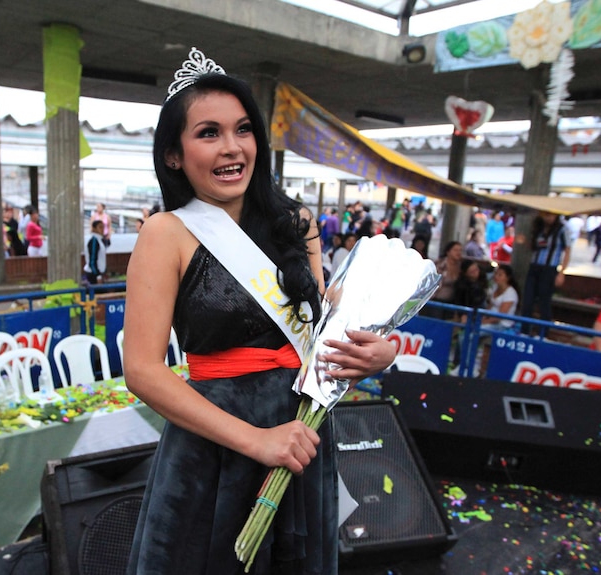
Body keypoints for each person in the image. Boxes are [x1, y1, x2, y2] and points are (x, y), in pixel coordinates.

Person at [123, 50, 395, 575]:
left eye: (243, 130)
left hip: (301, 436)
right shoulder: (166, 233)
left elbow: (326, 329)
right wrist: (258, 441)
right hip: (215, 447)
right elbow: (143, 370)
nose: (231, 148)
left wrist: (383, 350)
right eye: (208, 133)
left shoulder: (297, 224)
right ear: (174, 154)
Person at [520, 211, 571, 332]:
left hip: (549, 269)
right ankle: (525, 330)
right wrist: (525, 242)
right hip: (535, 266)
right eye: (545, 215)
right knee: (528, 300)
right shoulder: (539, 227)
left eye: (550, 215)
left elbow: (568, 250)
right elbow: (534, 247)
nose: (547, 218)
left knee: (544, 301)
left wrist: (561, 272)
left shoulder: (562, 229)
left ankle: (544, 332)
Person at [483, 264, 520, 330]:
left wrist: (484, 322)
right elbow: (490, 306)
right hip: (490, 319)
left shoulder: (510, 294)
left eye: (500, 275)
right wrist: (483, 317)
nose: (496, 277)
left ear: (507, 278)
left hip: (502, 324)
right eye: (496, 274)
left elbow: (500, 316)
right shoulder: (495, 287)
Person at [83, 220, 107, 285]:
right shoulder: (94, 241)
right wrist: (98, 275)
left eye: (103, 227)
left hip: (98, 273)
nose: (102, 230)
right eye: (100, 227)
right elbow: (92, 260)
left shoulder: (99, 240)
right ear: (94, 229)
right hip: (93, 274)